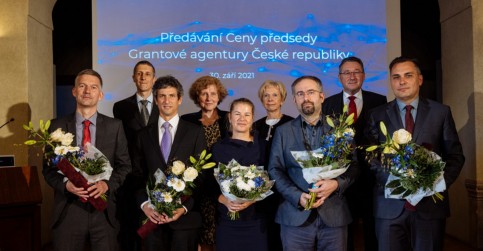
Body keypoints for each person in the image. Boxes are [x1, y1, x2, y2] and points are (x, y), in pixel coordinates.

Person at [366, 57, 465, 251]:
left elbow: (456, 156)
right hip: (389, 207)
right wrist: (396, 181)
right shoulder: (376, 114)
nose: (401, 81)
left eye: (407, 75)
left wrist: (435, 183)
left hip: (429, 207)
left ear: (419, 79)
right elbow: (370, 157)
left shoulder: (441, 112)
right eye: (396, 77)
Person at [42, 69, 131, 250]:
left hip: (103, 211)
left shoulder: (115, 126)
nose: (87, 91)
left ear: (100, 95)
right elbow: (48, 169)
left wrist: (107, 185)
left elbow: (124, 166)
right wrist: (66, 185)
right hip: (68, 211)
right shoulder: (56, 126)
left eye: (93, 87)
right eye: (82, 86)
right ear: (74, 91)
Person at [268, 75, 359, 251]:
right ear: (294, 100)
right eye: (300, 94)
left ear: (321, 96)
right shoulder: (283, 131)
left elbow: (354, 167)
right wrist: (297, 196)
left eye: (311, 92)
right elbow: (274, 170)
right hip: (294, 217)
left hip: (334, 215)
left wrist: (336, 184)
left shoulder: (340, 128)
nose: (306, 98)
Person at [132, 75, 207, 251]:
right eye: (162, 96)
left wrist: (183, 207)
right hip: (153, 219)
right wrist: (145, 206)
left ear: (180, 99)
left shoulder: (195, 132)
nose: (167, 101)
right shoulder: (143, 135)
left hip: (184, 221)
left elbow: (202, 176)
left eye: (172, 96)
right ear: (156, 100)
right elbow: (136, 175)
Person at [322, 56, 387, 251]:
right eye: (347, 72)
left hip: (372, 178)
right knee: (344, 232)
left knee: (372, 230)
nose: (352, 76)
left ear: (364, 76)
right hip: (341, 179)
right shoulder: (328, 104)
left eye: (356, 71)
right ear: (339, 77)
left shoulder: (379, 101)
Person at [211, 98, 268, 251]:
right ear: (229, 117)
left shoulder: (264, 146)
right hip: (227, 223)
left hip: (257, 223)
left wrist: (252, 199)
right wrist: (224, 200)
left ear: (253, 118)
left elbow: (272, 180)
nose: (242, 119)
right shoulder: (217, 148)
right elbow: (208, 185)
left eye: (247, 114)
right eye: (237, 114)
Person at [113, 60, 158, 251]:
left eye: (147, 74)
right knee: (130, 227)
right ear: (133, 77)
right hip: (132, 175)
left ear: (154, 79)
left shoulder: (164, 103)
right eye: (139, 73)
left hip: (158, 173)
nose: (143, 77)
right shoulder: (120, 107)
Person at [180, 75, 229, 251]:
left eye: (213, 93)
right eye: (204, 93)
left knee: (222, 236)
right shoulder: (186, 120)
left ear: (219, 96)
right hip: (197, 186)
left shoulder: (228, 118)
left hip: (222, 186)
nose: (209, 98)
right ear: (197, 96)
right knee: (201, 236)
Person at [253, 80, 293, 251]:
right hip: (261, 191)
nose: (270, 99)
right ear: (262, 99)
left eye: (275, 95)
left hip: (284, 189)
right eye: (266, 95)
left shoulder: (292, 124)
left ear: (282, 99)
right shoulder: (254, 126)